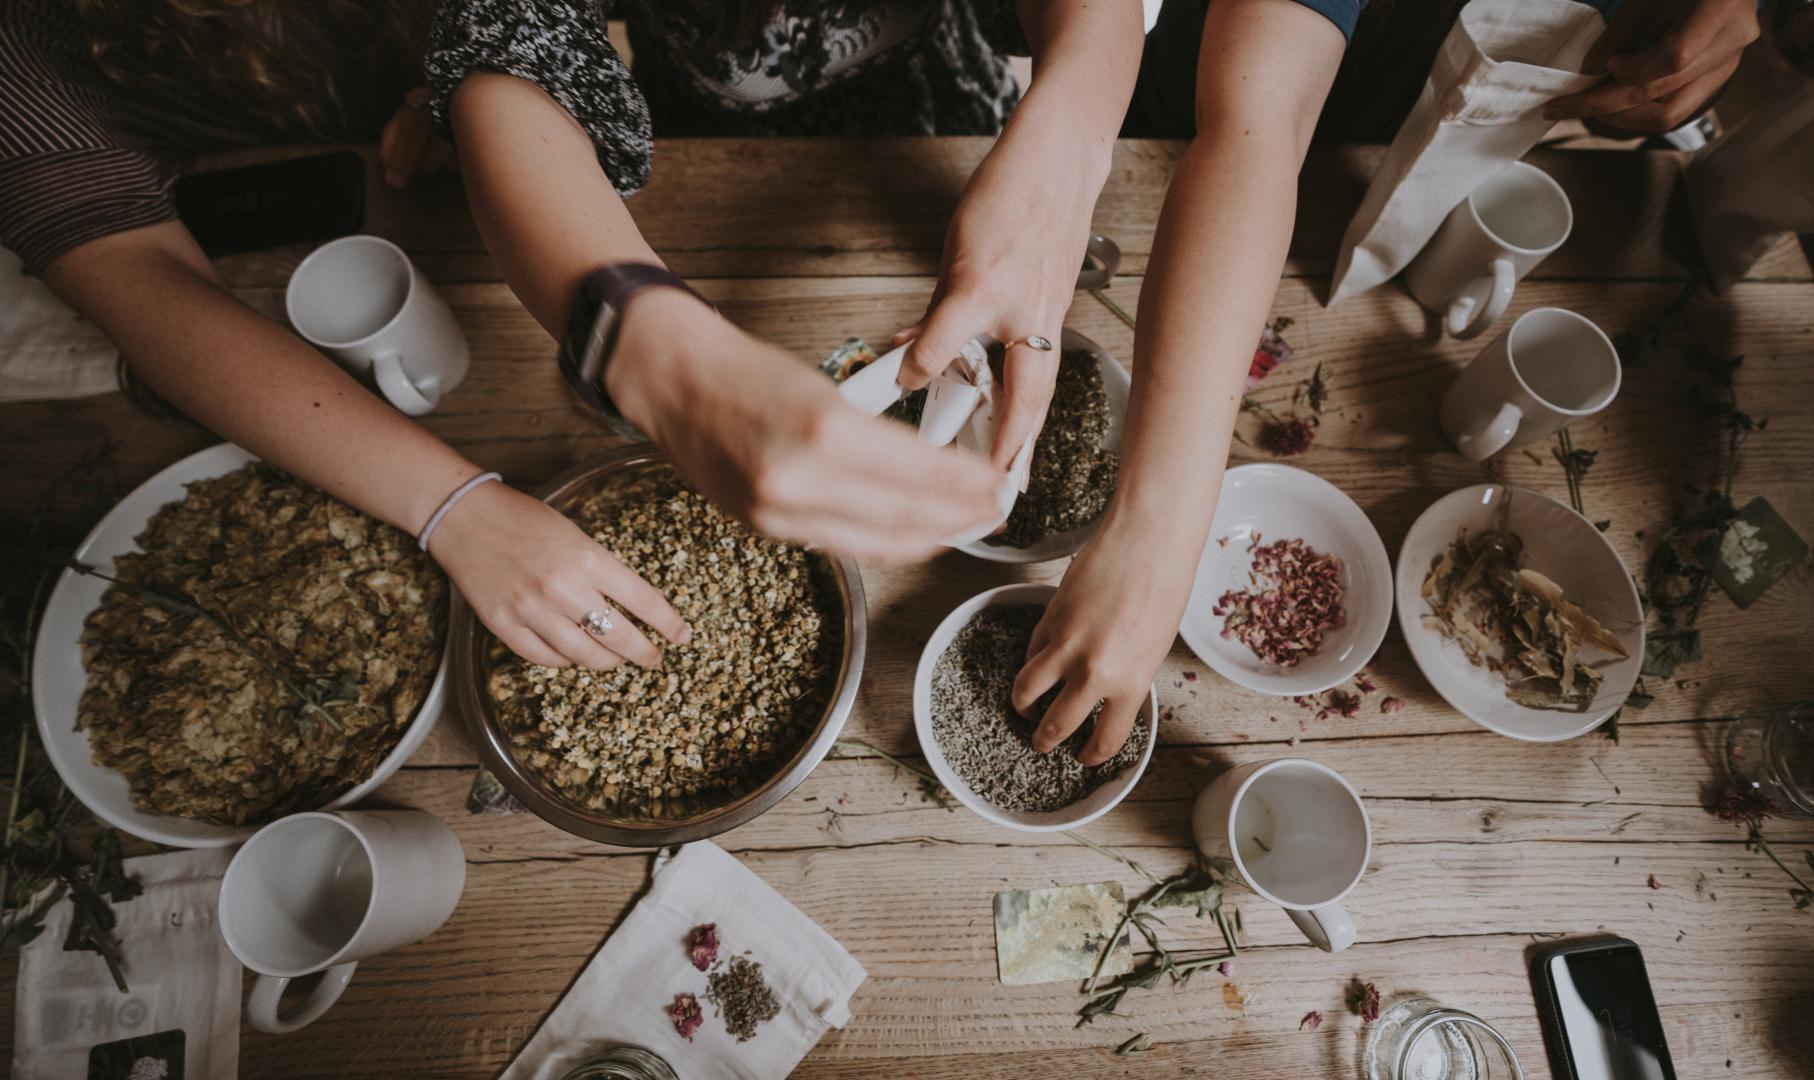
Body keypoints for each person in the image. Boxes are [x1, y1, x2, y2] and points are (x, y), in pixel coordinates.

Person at [1032, 0, 1770, 767]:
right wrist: (1156, 532)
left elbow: (1635, 86)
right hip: (1202, 87)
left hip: (1410, 117)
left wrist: (1676, 62)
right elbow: (1260, 120)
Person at [1, 0, 689, 672]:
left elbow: (534, 28)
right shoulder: (27, 50)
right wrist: (457, 511)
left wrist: (456, 98)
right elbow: (137, 279)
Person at [424, 0, 1141, 568]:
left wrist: (1064, 157)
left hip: (945, 123)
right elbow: (506, 39)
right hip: (695, 147)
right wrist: (654, 350)